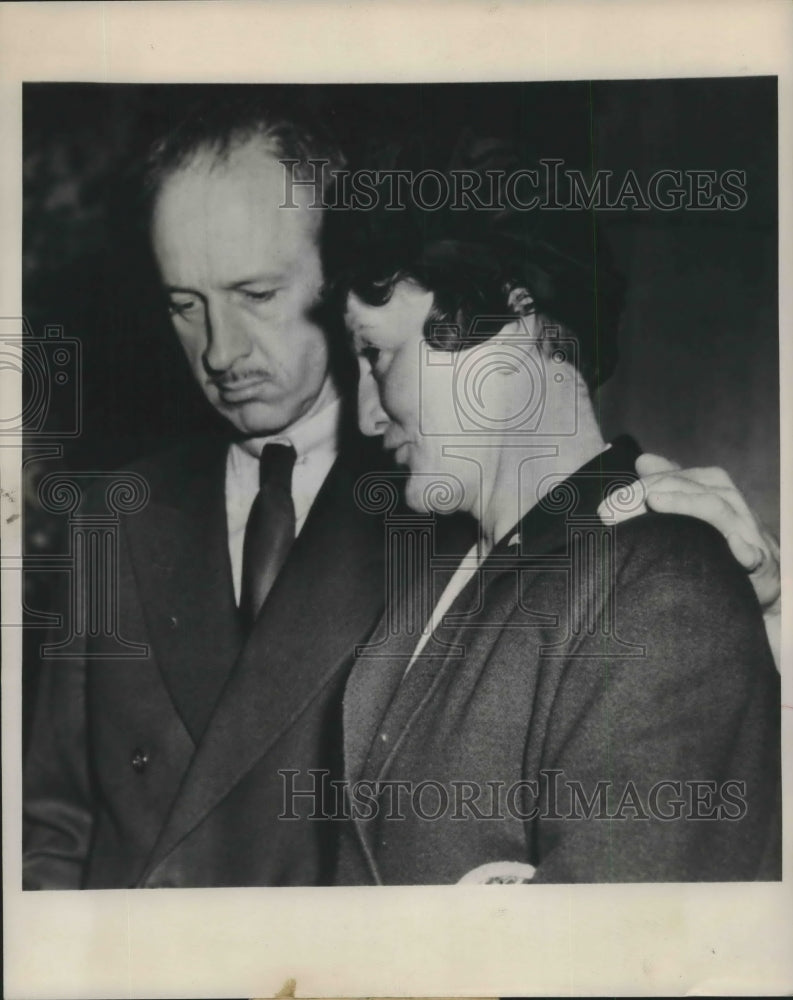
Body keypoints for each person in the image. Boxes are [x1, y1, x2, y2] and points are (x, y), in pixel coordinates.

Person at [23, 96, 781, 890]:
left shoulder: (455, 509)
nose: (219, 350)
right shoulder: (121, 509)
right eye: (184, 305)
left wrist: (757, 606)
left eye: (256, 294)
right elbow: (52, 827)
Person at [331, 174, 781, 884]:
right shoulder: (437, 574)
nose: (364, 415)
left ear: (514, 319)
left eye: (375, 354)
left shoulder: (663, 584)